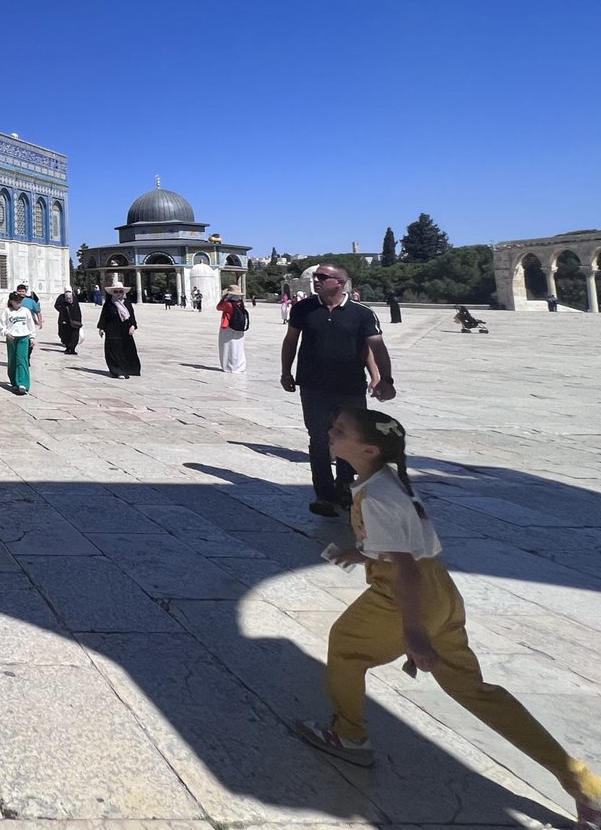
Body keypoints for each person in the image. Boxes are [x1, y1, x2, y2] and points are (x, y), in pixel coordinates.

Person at [297, 410, 601, 828]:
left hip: (403, 596)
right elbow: (410, 543)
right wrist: (362, 552)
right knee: (476, 691)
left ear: (367, 450)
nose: (331, 432)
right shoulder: (386, 482)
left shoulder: (379, 495)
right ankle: (582, 781)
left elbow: (403, 568)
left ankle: (348, 734)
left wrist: (414, 633)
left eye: (340, 431)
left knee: (346, 648)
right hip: (440, 589)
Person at [280, 263, 394, 518]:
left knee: (349, 440)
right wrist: (286, 372)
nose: (316, 280)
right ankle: (323, 493)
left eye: (323, 277)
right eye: (316, 276)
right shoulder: (303, 309)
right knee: (318, 438)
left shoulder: (362, 314)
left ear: (340, 282)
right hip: (313, 385)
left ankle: (344, 487)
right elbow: (290, 341)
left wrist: (383, 379)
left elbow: (374, 348)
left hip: (349, 387)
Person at [96, 281, 141, 378]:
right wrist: (101, 328)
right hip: (112, 329)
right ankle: (118, 371)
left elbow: (131, 315)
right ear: (112, 293)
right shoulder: (109, 303)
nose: (118, 293)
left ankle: (129, 369)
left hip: (125, 330)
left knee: (126, 350)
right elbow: (104, 316)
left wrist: (133, 326)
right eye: (116, 291)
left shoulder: (127, 302)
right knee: (114, 350)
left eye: (120, 291)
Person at [0, 292, 35, 394]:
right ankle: (14, 382)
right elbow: (1, 325)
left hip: (23, 337)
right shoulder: (7, 311)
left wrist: (32, 337)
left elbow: (31, 325)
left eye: (19, 301)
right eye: (16, 301)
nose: (18, 303)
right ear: (11, 301)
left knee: (22, 359)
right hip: (12, 338)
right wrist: (5, 333)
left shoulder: (26, 311)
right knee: (12, 360)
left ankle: (23, 383)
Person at [216, 284, 248, 373]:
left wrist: (223, 298)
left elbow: (218, 307)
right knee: (238, 347)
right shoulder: (240, 303)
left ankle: (229, 366)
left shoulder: (228, 304)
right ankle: (239, 365)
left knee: (228, 347)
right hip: (239, 328)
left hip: (229, 327)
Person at [54, 287, 83, 354]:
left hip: (75, 322)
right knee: (66, 335)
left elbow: (78, 311)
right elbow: (57, 307)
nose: (69, 300)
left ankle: (72, 348)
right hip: (66, 322)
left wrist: (79, 320)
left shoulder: (75, 299)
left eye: (70, 298)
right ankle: (68, 347)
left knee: (75, 335)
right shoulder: (62, 300)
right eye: (67, 299)